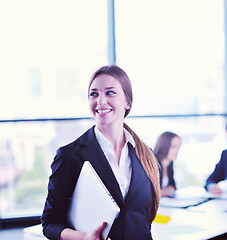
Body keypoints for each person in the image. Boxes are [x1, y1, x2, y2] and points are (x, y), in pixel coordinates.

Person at [41, 65, 161, 240]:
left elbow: (144, 220)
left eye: (110, 93)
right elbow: (49, 224)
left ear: (127, 102)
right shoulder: (70, 156)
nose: (101, 101)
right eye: (94, 94)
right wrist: (84, 237)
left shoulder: (145, 155)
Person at [153, 131, 181, 198]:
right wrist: (162, 192)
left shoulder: (170, 163)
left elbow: (173, 186)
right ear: (164, 146)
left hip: (165, 203)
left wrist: (169, 189)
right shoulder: (153, 163)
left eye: (179, 146)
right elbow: (147, 191)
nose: (177, 150)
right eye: (174, 146)